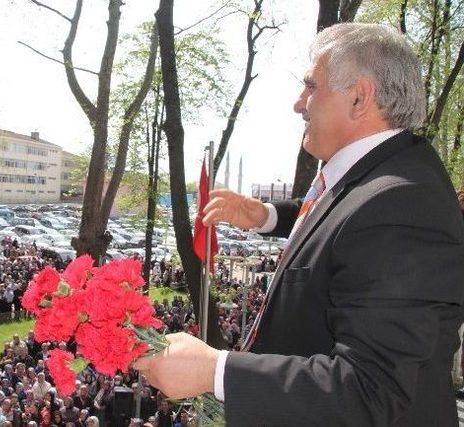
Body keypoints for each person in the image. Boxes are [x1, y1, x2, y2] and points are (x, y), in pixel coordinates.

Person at [134, 23, 464, 426]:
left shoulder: (401, 205)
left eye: (311, 86)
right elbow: (340, 225)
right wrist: (268, 216)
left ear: (359, 97)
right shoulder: (380, 178)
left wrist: (215, 371)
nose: (298, 103)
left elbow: (368, 390)